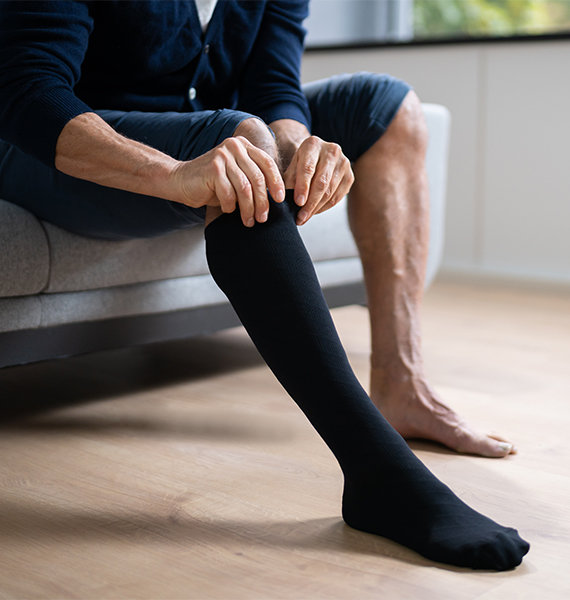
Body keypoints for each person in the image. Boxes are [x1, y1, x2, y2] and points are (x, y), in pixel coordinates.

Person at [0, 0, 529, 570]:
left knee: (386, 104)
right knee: (238, 140)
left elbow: (273, 79)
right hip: (55, 153)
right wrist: (177, 174)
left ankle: (403, 386)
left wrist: (297, 143)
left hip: (198, 127)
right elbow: (26, 91)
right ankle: (377, 472)